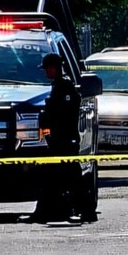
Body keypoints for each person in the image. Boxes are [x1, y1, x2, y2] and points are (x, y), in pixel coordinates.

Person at [25, 53, 94, 223]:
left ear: (55, 68)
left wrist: (48, 119)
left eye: (48, 68)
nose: (46, 72)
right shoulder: (57, 86)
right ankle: (43, 213)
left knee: (72, 179)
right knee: (50, 178)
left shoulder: (65, 87)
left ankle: (85, 211)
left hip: (65, 141)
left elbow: (65, 115)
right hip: (57, 141)